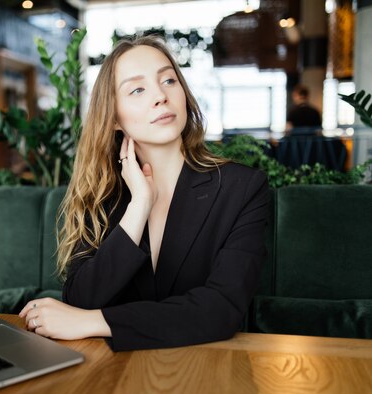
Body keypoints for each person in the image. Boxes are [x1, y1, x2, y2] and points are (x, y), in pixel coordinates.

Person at [19, 35, 269, 351]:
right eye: (137, 89)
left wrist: (95, 322)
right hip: (113, 379)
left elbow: (221, 310)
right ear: (112, 118)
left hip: (208, 372)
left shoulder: (242, 188)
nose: (160, 96)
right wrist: (139, 206)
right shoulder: (101, 195)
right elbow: (83, 297)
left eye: (168, 80)